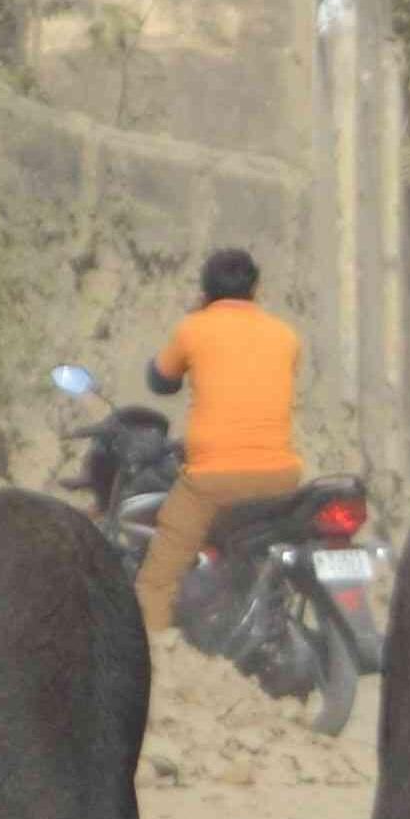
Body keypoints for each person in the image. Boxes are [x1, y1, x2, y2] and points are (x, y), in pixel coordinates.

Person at [137, 246, 310, 642]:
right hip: (281, 480)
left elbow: (160, 380)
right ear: (256, 289)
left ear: (205, 290)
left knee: (160, 571)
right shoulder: (285, 336)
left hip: (214, 480)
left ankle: (158, 649)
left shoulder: (193, 329)